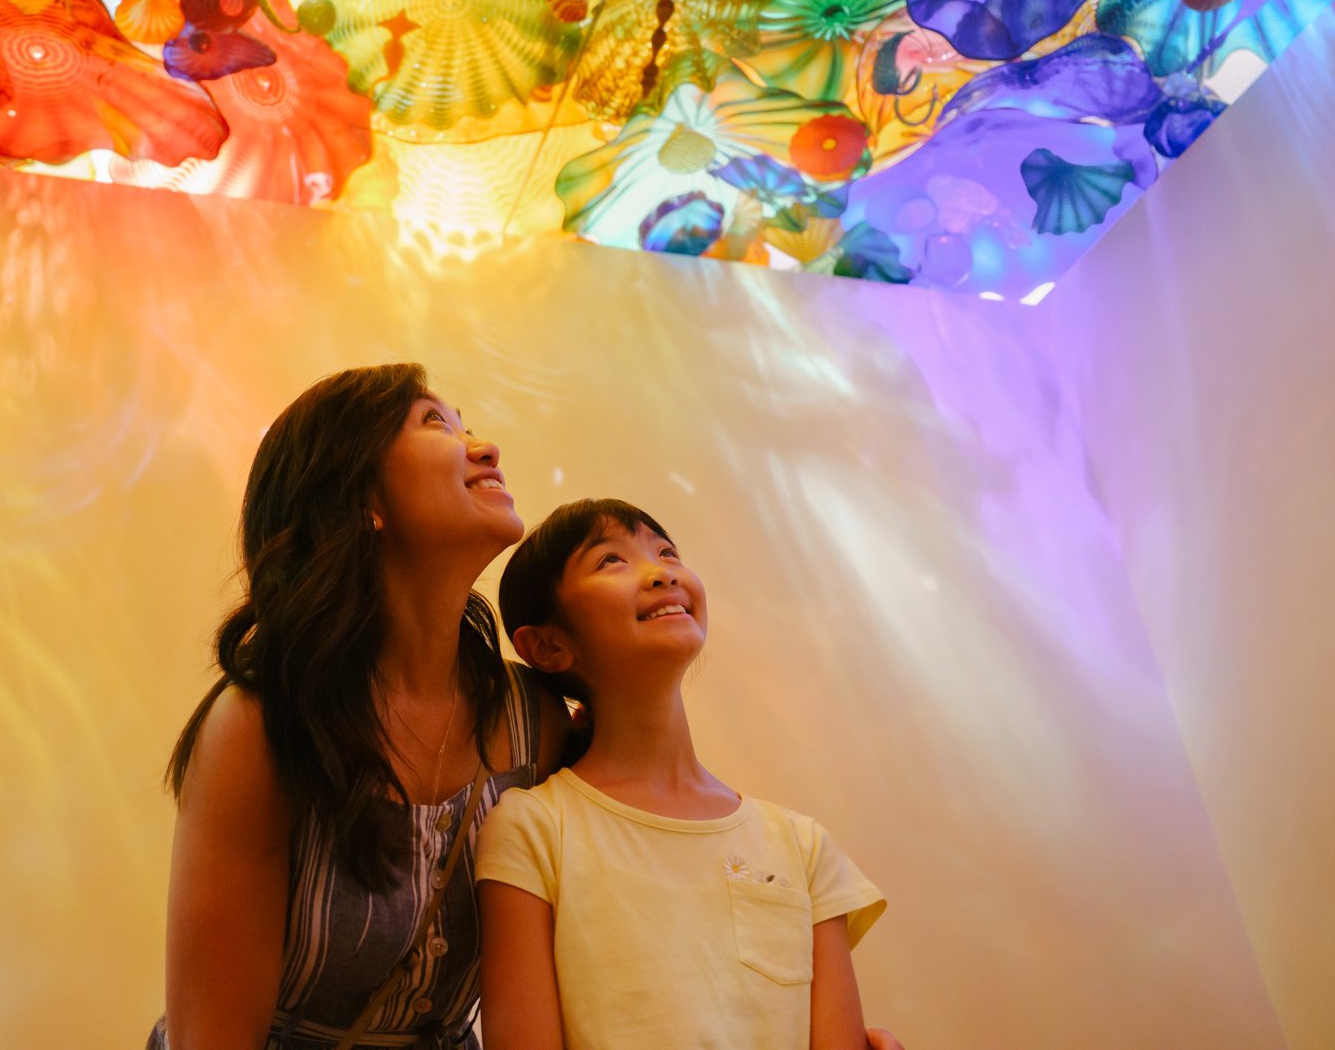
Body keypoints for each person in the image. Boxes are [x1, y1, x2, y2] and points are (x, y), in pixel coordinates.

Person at [151, 364, 569, 1049]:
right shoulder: (260, 728)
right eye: (436, 422)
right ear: (359, 496)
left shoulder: (537, 725)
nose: (486, 447)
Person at [477, 498, 889, 1050]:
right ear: (548, 645)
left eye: (667, 551)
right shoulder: (531, 829)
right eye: (611, 561)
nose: (661, 570)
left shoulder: (802, 846)